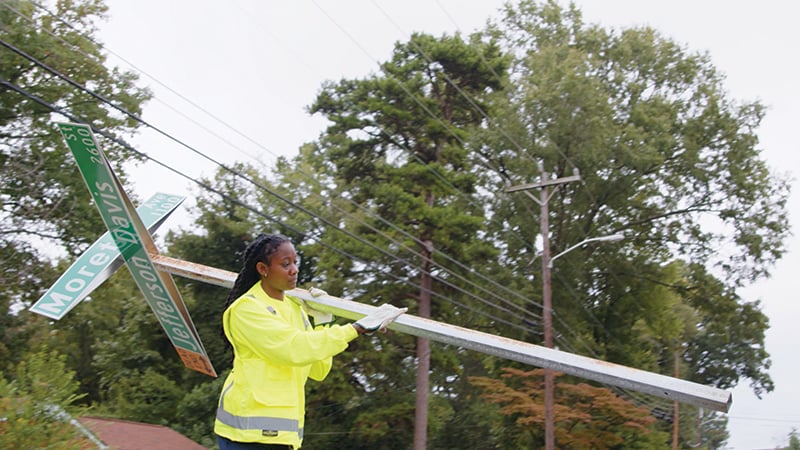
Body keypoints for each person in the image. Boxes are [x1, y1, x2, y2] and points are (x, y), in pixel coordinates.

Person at [214, 233, 405, 450]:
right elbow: (294, 348)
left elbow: (318, 369)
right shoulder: (247, 309)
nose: (294, 269)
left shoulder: (295, 308)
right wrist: (355, 329)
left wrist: (322, 322)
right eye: (285, 264)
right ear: (263, 269)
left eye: (296, 262)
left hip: (282, 437)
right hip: (246, 434)